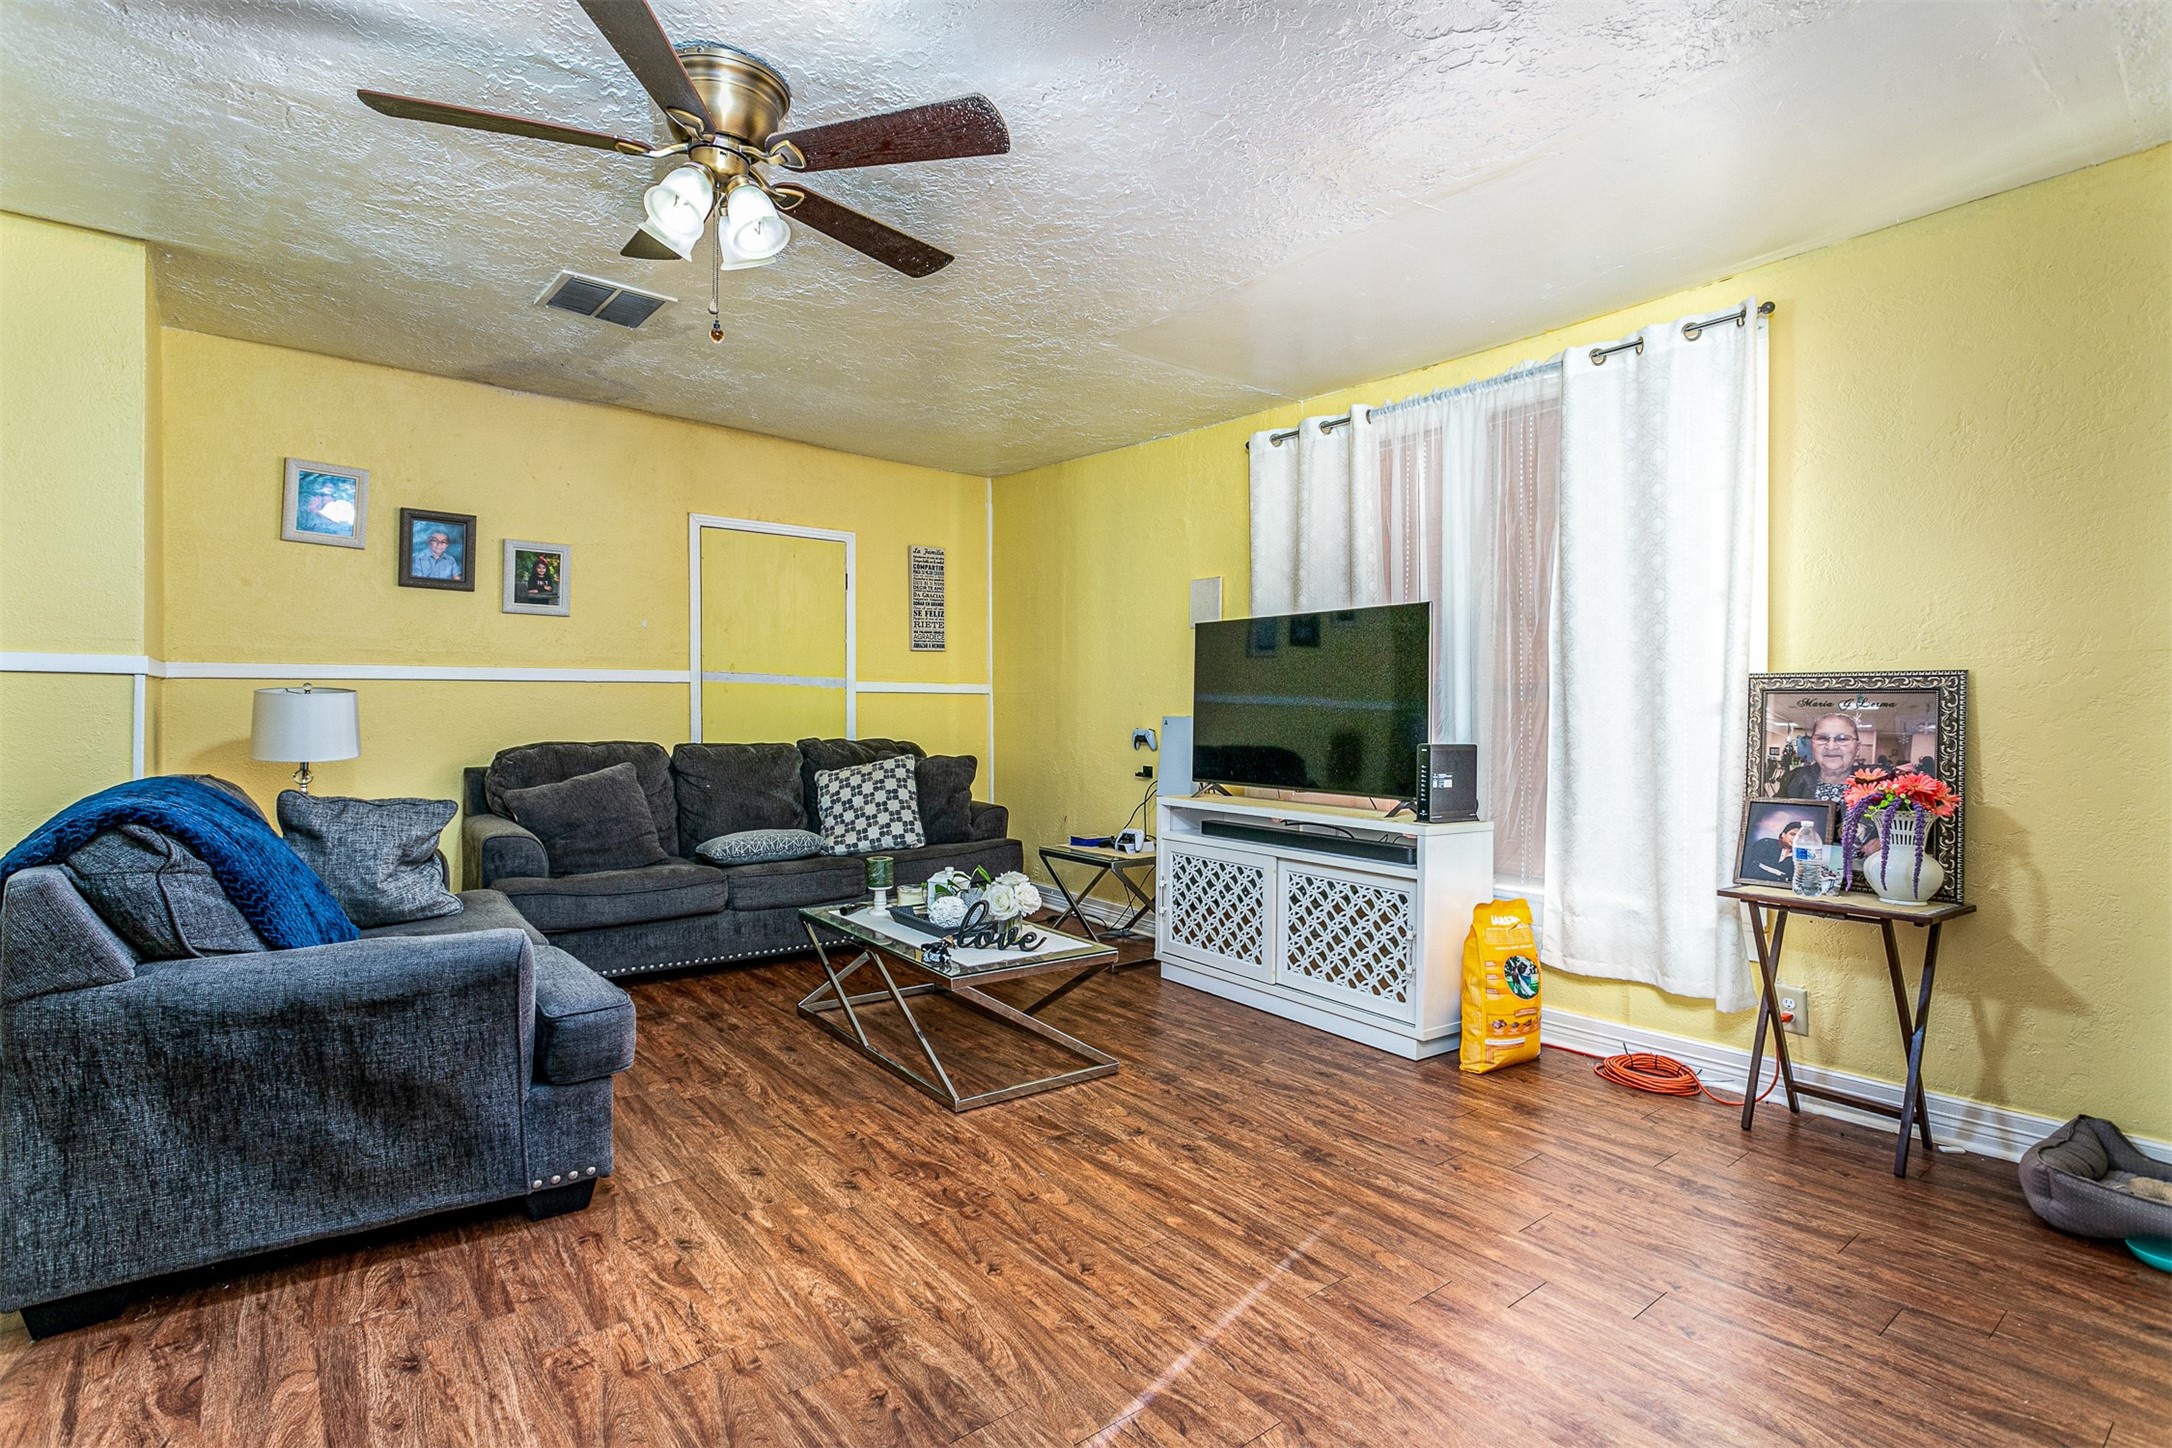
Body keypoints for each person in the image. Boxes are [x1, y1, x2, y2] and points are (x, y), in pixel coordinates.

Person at [1779, 713, 1864, 802]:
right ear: (1812, 745)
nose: (1831, 747)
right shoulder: (1794, 779)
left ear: (1857, 747)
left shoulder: (1876, 786)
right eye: (1822, 738)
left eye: (1842, 739)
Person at [1744, 819, 1802, 883]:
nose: (1795, 838)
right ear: (1783, 834)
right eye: (1793, 834)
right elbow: (1752, 866)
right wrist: (1782, 874)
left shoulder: (1802, 856)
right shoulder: (1766, 843)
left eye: (1800, 837)